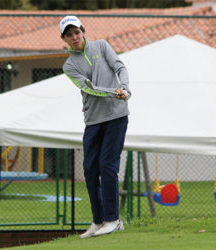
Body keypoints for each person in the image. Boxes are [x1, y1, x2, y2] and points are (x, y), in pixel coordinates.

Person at [60, 15, 131, 238]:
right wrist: (115, 92)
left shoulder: (101, 46)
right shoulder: (69, 66)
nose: (74, 37)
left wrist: (126, 89)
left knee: (107, 166)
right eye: (69, 35)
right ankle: (98, 221)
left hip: (116, 116)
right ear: (64, 38)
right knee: (91, 169)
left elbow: (120, 67)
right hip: (93, 120)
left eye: (77, 32)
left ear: (83, 31)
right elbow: (89, 89)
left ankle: (113, 220)